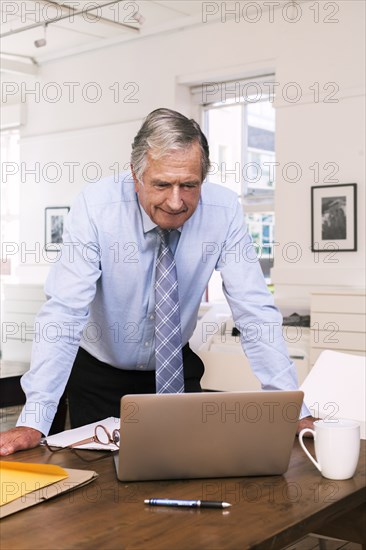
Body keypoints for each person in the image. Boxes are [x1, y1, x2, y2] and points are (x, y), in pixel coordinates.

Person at [0, 108, 313, 456]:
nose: (176, 202)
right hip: (100, 375)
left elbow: (254, 311)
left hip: (177, 369)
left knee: (188, 468)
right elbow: (64, 312)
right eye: (162, 184)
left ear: (202, 179)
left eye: (189, 185)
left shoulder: (223, 211)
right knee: (104, 491)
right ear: (136, 176)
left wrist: (291, 408)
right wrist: (34, 419)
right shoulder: (97, 207)